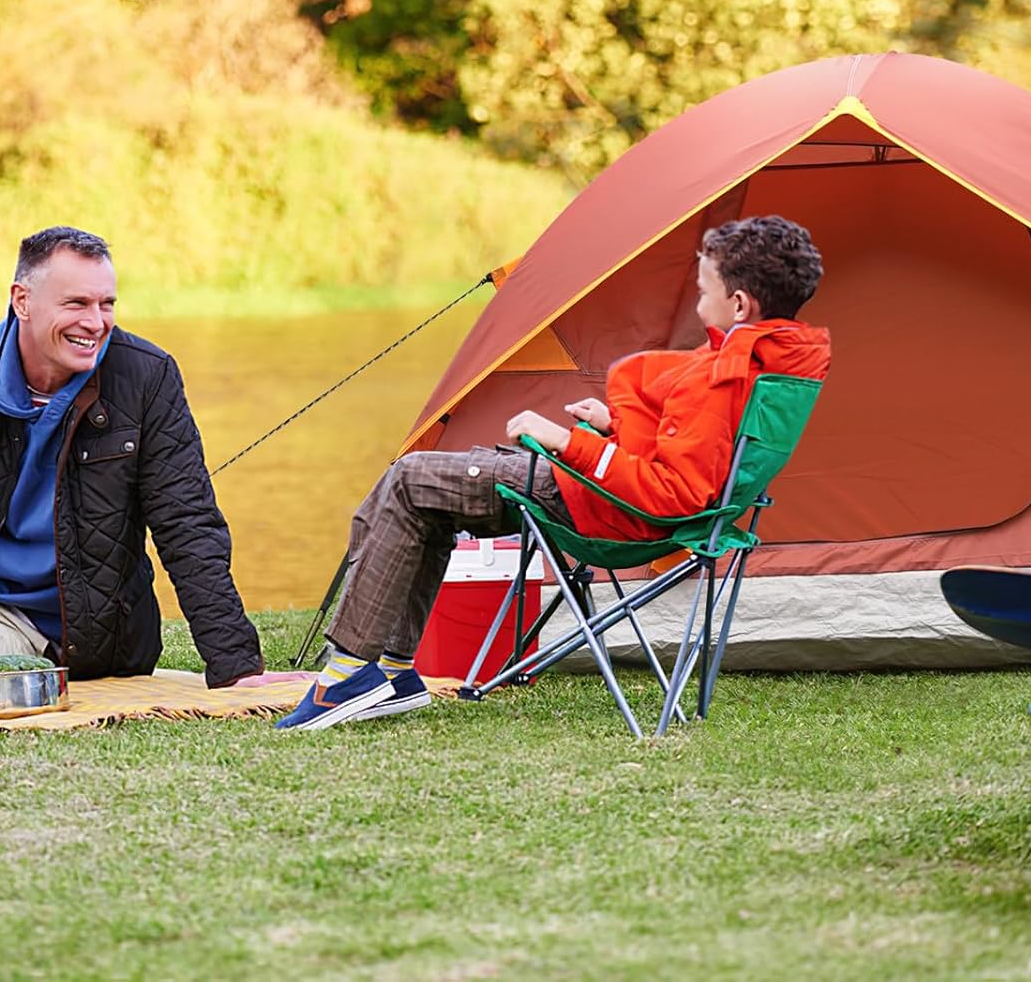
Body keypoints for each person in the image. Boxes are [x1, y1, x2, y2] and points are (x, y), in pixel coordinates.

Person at [277, 214, 831, 731]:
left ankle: (346, 676)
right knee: (427, 493)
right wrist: (615, 424)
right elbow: (698, 455)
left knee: (408, 479)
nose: (697, 297)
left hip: (602, 511)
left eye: (705, 288)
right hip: (614, 503)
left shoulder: (723, 377)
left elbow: (672, 492)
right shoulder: (773, 365)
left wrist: (568, 444)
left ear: (738, 304)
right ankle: (394, 673)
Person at [0, 226, 297, 690]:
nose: (96, 322)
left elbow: (188, 525)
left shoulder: (147, 376)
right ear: (22, 301)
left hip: (99, 629)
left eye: (107, 304)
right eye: (76, 304)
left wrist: (236, 666)